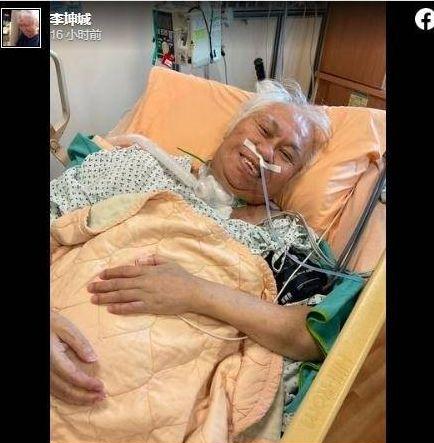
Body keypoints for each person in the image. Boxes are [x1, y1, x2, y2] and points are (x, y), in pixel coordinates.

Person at [50, 79, 331, 406]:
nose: (266, 152)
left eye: (286, 154)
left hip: (163, 397)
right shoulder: (139, 166)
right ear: (233, 127)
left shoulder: (283, 237)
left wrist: (195, 292)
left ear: (291, 178)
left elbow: (309, 335)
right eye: (264, 130)